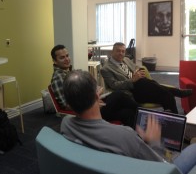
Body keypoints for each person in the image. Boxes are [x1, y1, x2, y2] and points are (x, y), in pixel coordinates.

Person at [61, 70, 196, 174]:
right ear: (97, 95)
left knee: (125, 111)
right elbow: (163, 166)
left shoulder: (66, 124)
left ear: (69, 104)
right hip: (161, 166)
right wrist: (154, 143)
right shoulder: (125, 135)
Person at [50, 44, 138, 128]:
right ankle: (143, 115)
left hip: (91, 103)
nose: (67, 59)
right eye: (62, 58)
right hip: (88, 110)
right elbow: (66, 105)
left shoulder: (68, 72)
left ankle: (136, 135)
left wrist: (93, 95)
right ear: (55, 61)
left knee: (127, 113)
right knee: (120, 95)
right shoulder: (59, 78)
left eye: (67, 56)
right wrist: (92, 104)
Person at [100, 42, 193, 114]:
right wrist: (132, 80)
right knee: (142, 82)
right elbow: (114, 85)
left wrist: (137, 72)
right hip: (130, 92)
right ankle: (177, 92)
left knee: (168, 95)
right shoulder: (106, 68)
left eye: (123, 51)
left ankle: (174, 123)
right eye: (118, 51)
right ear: (112, 52)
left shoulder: (126, 59)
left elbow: (136, 67)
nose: (121, 53)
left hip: (143, 88)